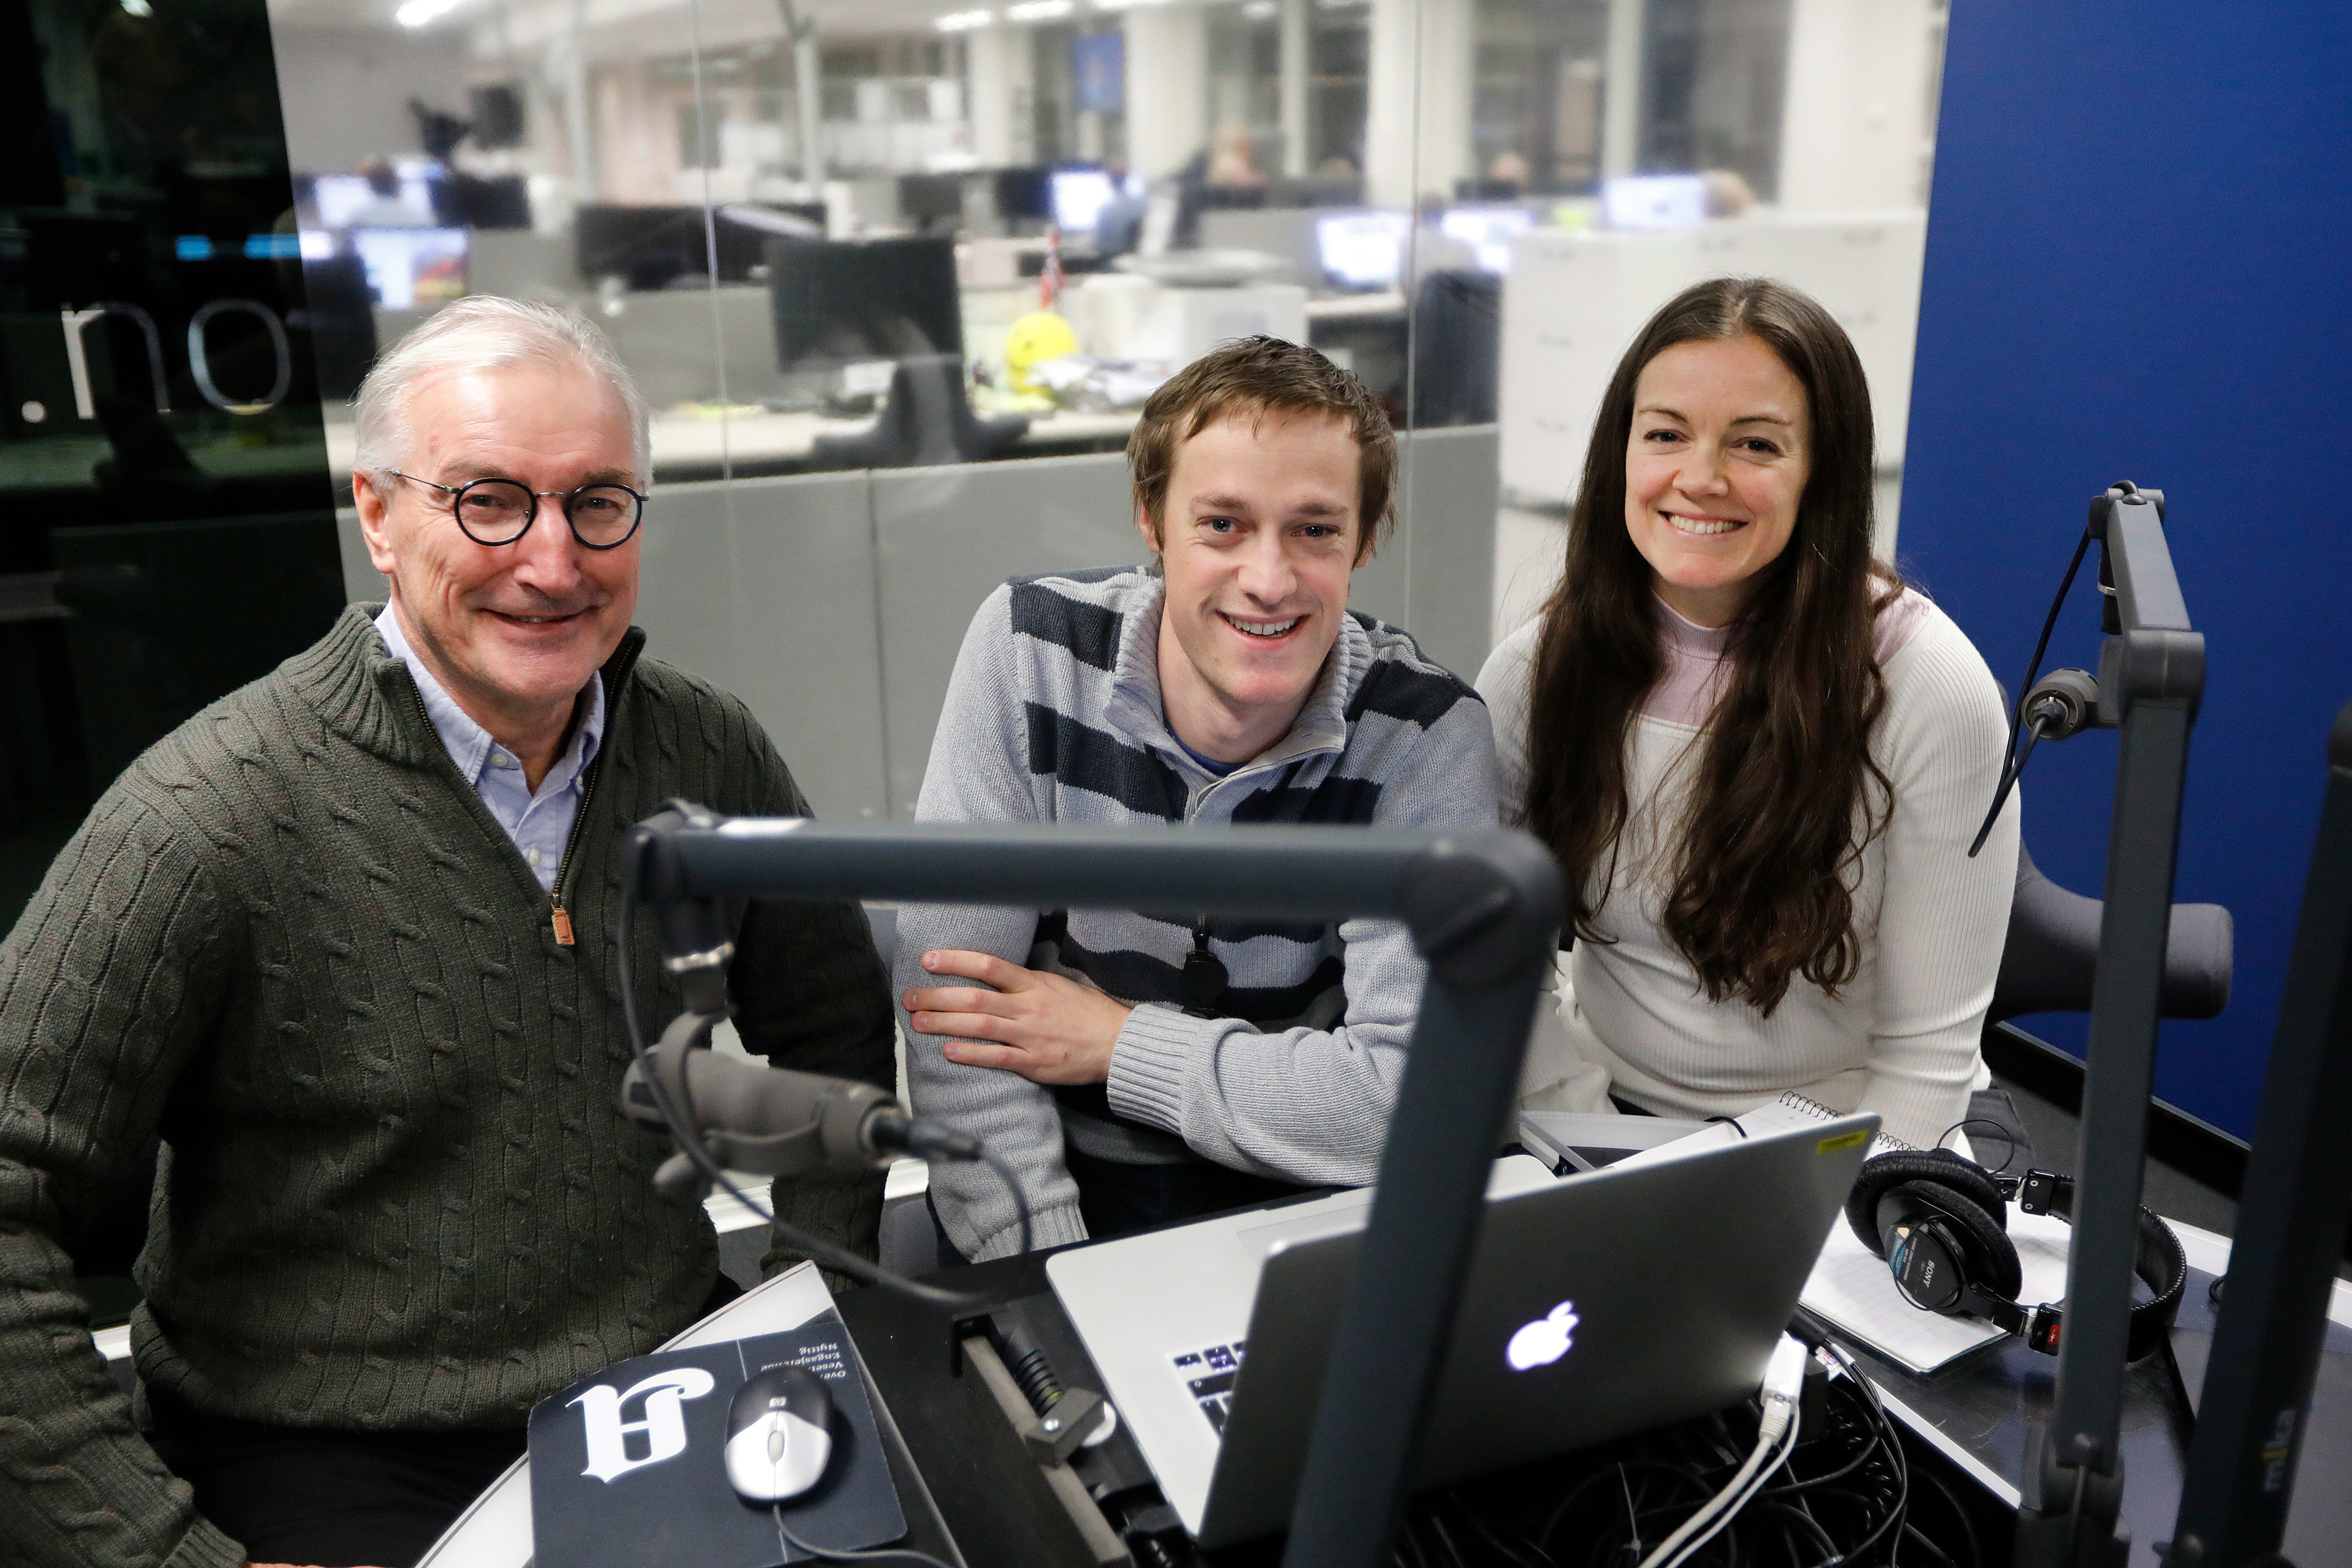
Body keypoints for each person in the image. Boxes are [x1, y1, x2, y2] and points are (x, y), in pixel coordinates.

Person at [0, 296, 896, 1568]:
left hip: (659, 1377)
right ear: (377, 514)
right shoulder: (208, 817)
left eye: (598, 502)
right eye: (489, 501)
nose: (553, 561)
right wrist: (165, 1555)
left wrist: (819, 1311)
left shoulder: (704, 748)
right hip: (329, 1449)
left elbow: (833, 1027)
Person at [899, 336, 1497, 1262]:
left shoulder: (1425, 734)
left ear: (1367, 539)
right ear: (1152, 521)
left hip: (1313, 1204)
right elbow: (960, 1029)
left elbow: (1413, 1108)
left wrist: (1118, 1044)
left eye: (1316, 530)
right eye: (1222, 524)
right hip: (1058, 1187)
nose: (1269, 579)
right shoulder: (1029, 651)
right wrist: (1050, 1277)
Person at [1477, 277, 2018, 1151]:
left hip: (1844, 1133)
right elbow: (1499, 968)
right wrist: (1581, 1145)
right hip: (1598, 1112)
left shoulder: (1929, 686)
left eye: (1756, 443)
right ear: (1621, 452)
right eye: (1665, 434)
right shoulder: (1540, 669)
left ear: (1822, 473)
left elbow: (1927, 1063)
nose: (1700, 478)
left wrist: (1831, 1200)